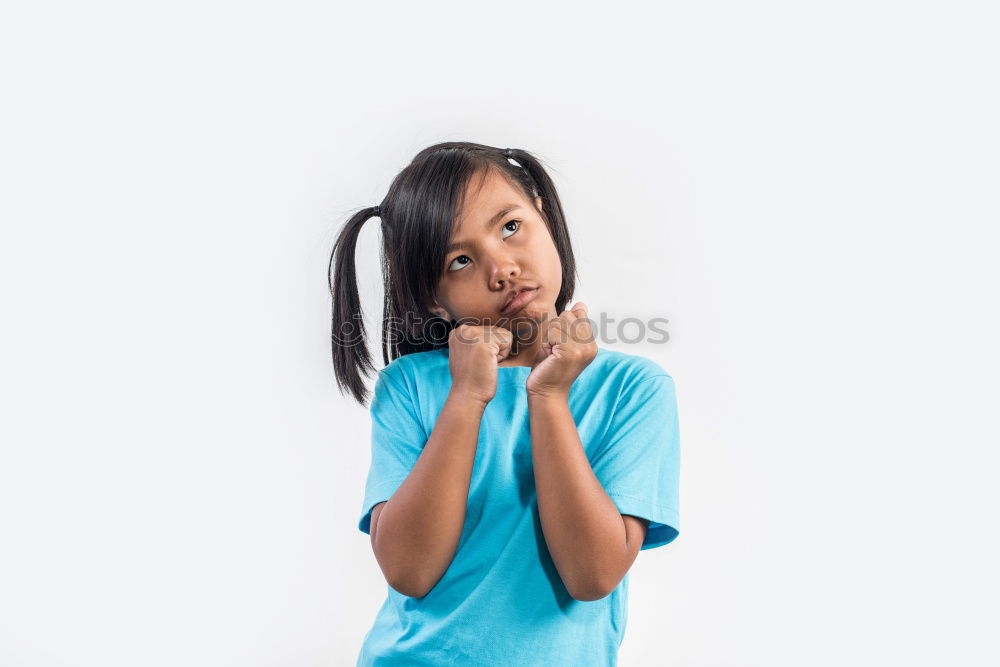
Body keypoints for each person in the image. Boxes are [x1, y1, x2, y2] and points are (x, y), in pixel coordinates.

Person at [329, 142, 681, 666]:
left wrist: (549, 395)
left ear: (541, 210)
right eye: (461, 260)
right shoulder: (410, 387)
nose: (501, 269)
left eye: (510, 227)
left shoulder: (633, 389)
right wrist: (467, 396)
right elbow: (409, 569)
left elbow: (591, 575)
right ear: (432, 297)